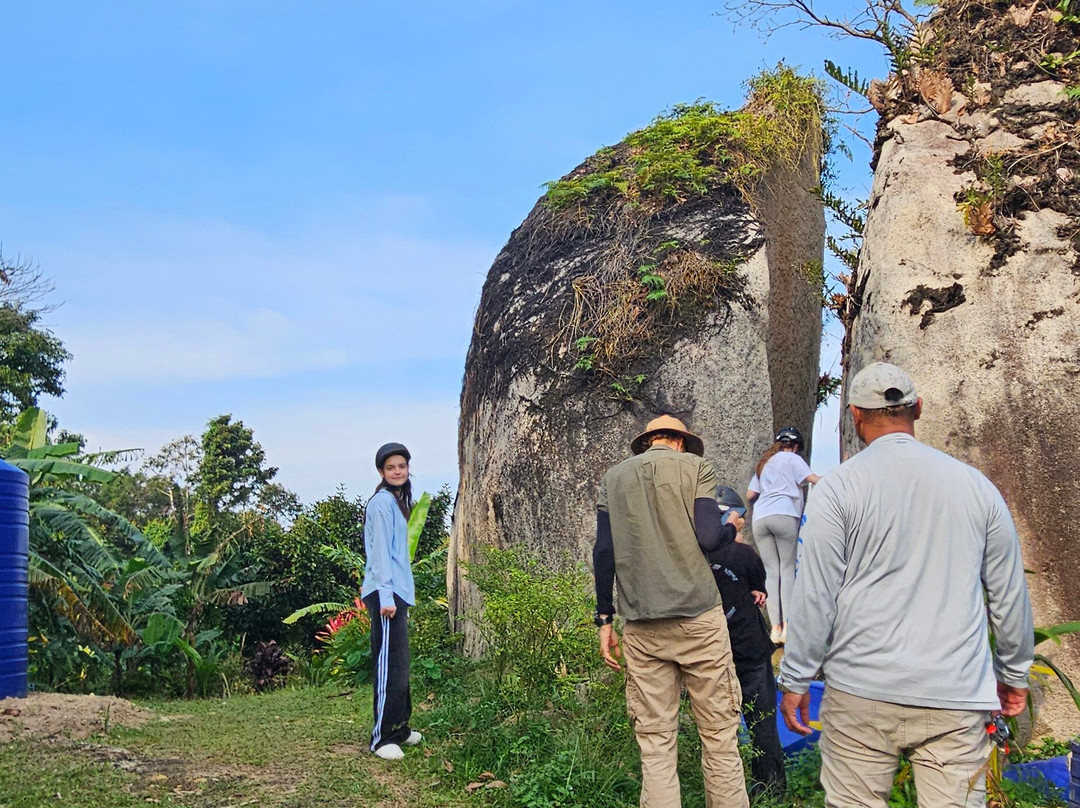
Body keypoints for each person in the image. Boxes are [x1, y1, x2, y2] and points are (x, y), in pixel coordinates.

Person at [777, 362, 1034, 808]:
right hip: (955, 693)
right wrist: (1013, 673)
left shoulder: (838, 488)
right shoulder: (976, 487)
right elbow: (1008, 595)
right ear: (918, 408)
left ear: (855, 415)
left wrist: (796, 677)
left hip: (861, 690)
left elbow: (815, 594)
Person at [593, 415, 750, 808]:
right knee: (720, 737)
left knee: (656, 743)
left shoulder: (614, 478)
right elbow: (710, 538)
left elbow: (604, 551)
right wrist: (732, 526)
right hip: (700, 619)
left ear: (649, 442)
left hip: (642, 625)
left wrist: (604, 619)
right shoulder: (696, 468)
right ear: (680, 442)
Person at [707, 487, 785, 798]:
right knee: (762, 722)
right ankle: (771, 790)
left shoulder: (692, 557)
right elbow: (758, 585)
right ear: (732, 519)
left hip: (711, 651)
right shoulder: (743, 555)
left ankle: (725, 792)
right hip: (750, 649)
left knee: (716, 728)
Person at [361, 442, 423, 761]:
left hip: (397, 592)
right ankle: (382, 737)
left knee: (400, 665)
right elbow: (380, 554)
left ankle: (399, 729)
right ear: (381, 472)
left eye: (402, 466)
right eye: (391, 467)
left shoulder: (398, 502)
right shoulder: (382, 503)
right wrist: (386, 596)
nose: (397, 471)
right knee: (388, 666)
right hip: (386, 594)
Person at [745, 426, 821, 644]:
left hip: (761, 518)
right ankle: (787, 626)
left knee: (771, 573)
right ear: (795, 446)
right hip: (785, 514)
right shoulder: (793, 459)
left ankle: (774, 628)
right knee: (787, 570)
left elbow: (750, 494)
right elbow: (815, 480)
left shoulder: (764, 463)